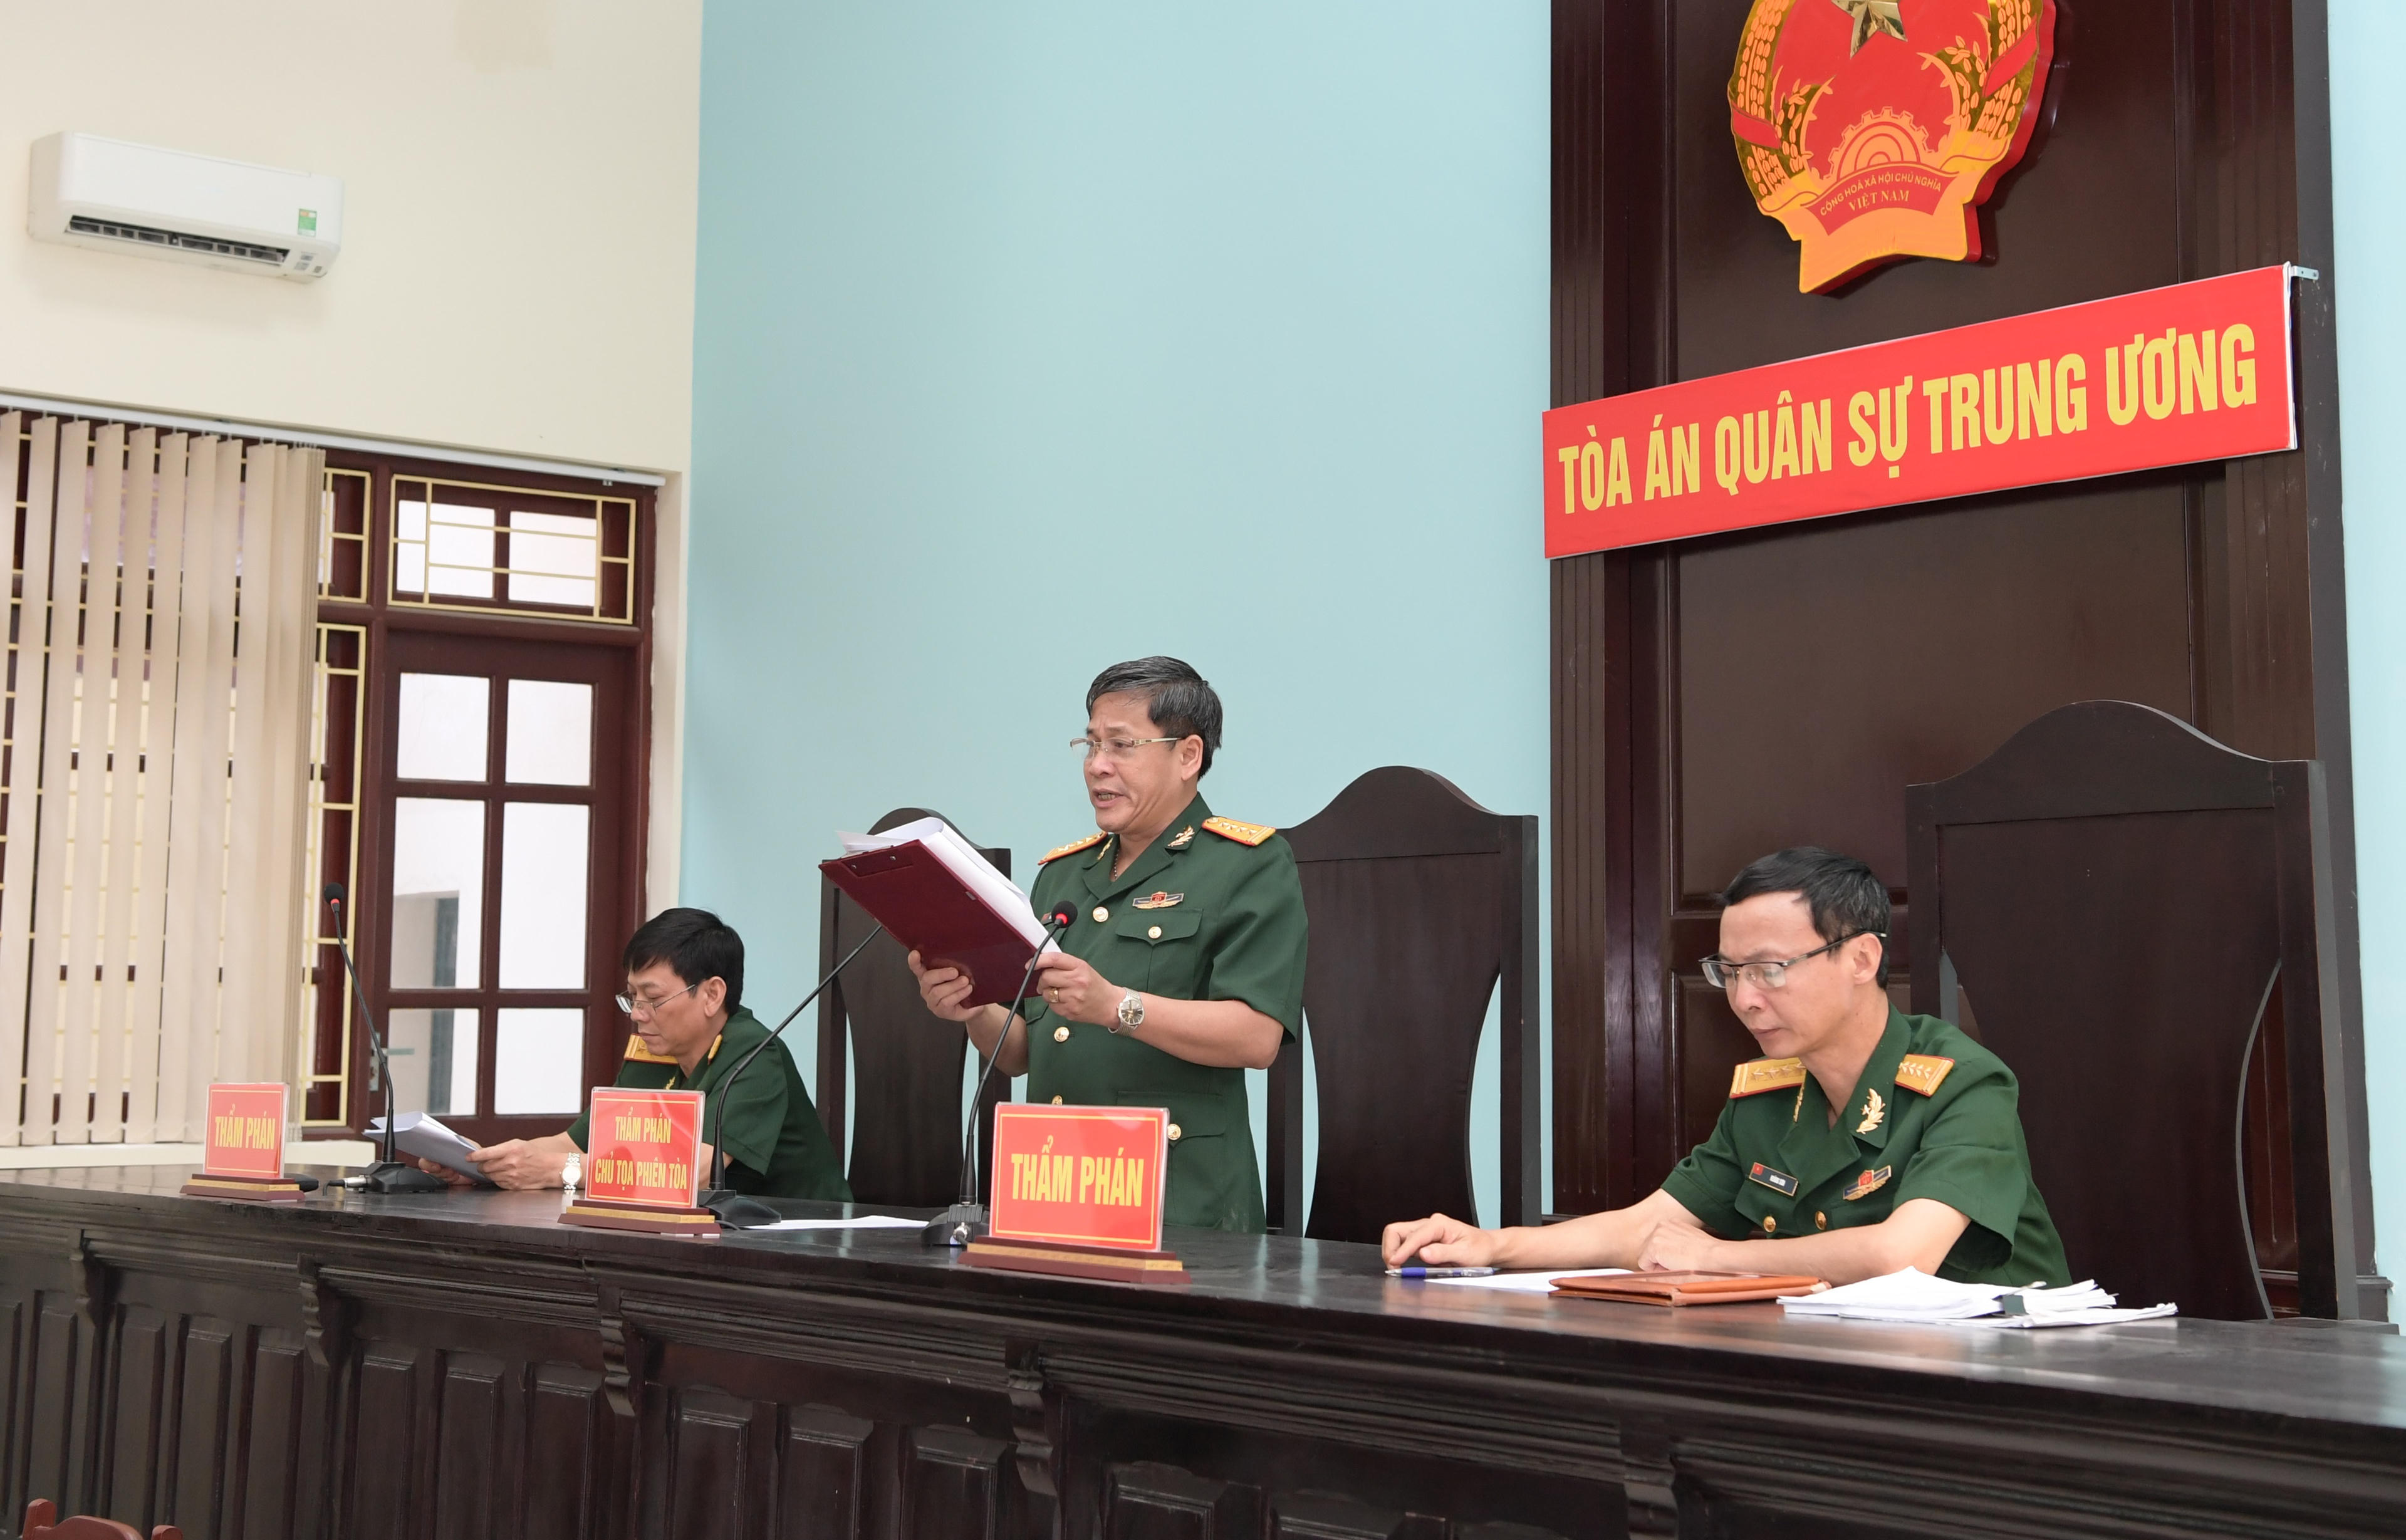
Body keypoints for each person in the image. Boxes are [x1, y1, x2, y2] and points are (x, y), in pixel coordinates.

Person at [1384, 848, 2070, 1287]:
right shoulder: (1767, 1095)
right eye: (1730, 971)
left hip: (2004, 1389)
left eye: (1770, 969)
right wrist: (1488, 1246)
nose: (1744, 999)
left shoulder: (1963, 1083)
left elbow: (1901, 1255)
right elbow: (1647, 1227)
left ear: (1862, 959)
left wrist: (1716, 1258)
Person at [908, 656, 1306, 1232]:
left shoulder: (1247, 865)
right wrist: (973, 1007)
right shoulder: (1062, 876)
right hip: (1054, 1185)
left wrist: (1117, 1007)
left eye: (1121, 745)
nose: (1097, 766)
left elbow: (1258, 1036)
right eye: (1090, 745)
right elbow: (1021, 1053)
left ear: (1188, 756)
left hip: (1181, 1202)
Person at [440, 907, 851, 1200]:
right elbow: (576, 1144)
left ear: (712, 994)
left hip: (808, 1242)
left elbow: (694, 1171)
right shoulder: (655, 1052)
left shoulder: (757, 1055)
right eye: (632, 997)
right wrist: (483, 1165)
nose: (637, 1014)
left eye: (652, 999)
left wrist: (555, 1171)